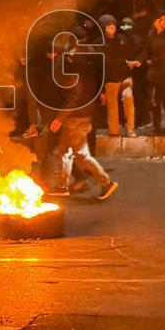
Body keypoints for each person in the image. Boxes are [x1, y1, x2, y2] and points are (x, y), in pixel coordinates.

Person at [46, 38, 118, 198]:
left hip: (76, 119)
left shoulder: (69, 72)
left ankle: (107, 182)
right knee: (65, 152)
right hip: (80, 117)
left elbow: (73, 97)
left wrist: (59, 118)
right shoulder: (81, 69)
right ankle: (62, 186)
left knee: (81, 155)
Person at [97, 14, 137, 137]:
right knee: (112, 106)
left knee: (128, 98)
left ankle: (130, 128)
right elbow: (99, 66)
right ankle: (114, 130)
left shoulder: (121, 40)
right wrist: (101, 87)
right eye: (108, 26)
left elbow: (128, 54)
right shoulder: (99, 43)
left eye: (113, 26)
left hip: (125, 76)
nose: (111, 29)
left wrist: (131, 62)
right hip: (110, 79)